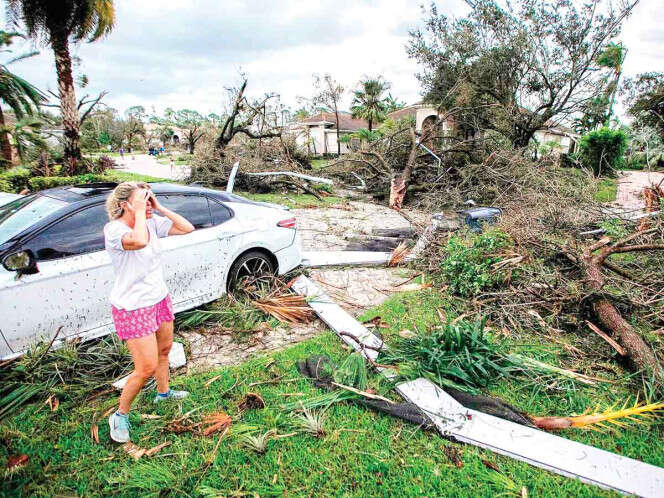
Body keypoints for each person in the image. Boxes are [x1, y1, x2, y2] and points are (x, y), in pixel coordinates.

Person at [104, 182, 195, 443]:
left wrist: (158, 207)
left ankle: (163, 393)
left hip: (158, 299)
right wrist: (141, 211)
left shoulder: (152, 222)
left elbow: (186, 227)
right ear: (124, 205)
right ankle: (120, 415)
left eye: (148, 198)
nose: (147, 203)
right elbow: (140, 241)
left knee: (165, 350)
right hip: (133, 307)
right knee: (145, 367)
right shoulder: (114, 230)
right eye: (141, 199)